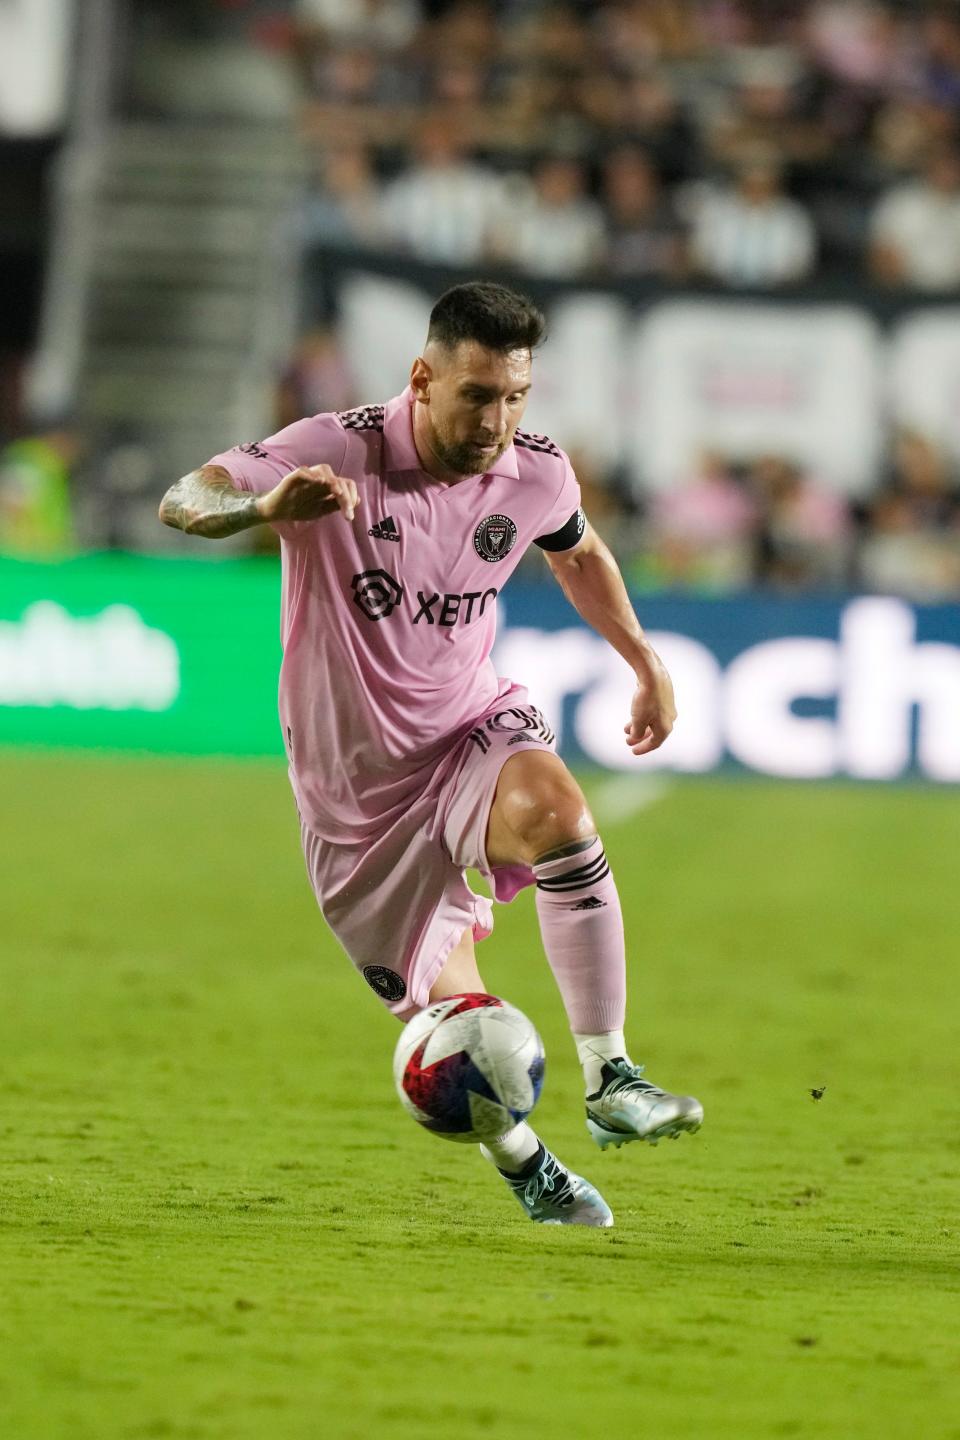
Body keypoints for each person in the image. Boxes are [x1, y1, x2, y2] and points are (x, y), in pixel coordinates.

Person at [158, 282, 702, 1229]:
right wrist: (263, 508)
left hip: (469, 729)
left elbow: (577, 553)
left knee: (563, 816)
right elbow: (183, 498)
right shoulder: (334, 447)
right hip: (355, 793)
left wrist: (643, 658)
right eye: (478, 395)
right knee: (460, 1027)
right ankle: (525, 1162)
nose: (499, 420)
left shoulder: (535, 472)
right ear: (423, 377)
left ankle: (612, 1073)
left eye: (516, 397)